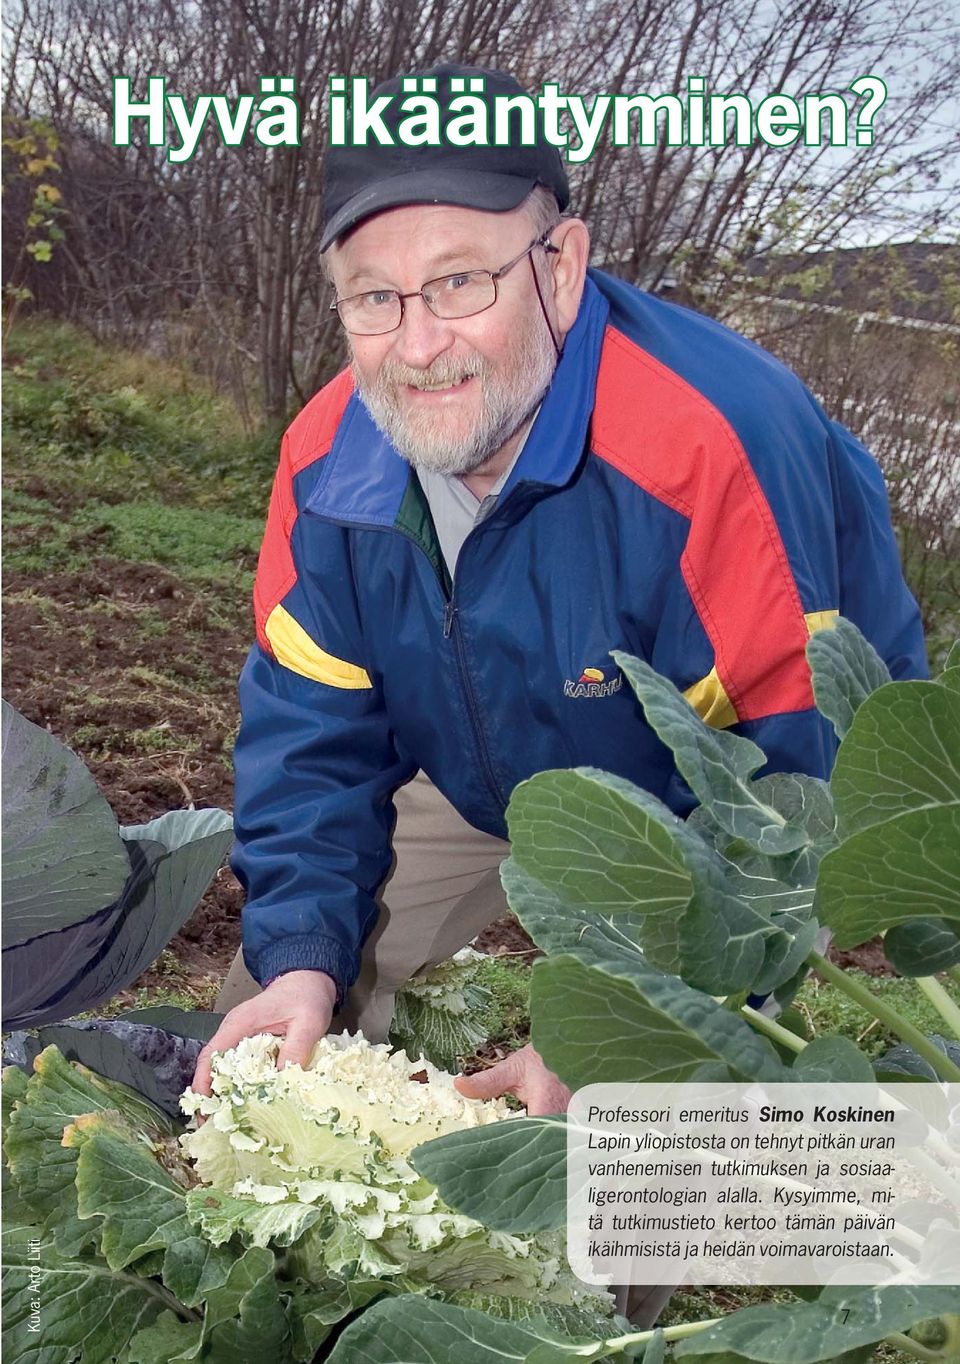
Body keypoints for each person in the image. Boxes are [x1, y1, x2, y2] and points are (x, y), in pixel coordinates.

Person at [193, 62, 926, 1119]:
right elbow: (311, 734)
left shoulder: (709, 447)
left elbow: (782, 796)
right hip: (472, 747)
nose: (417, 343)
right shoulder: (324, 462)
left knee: (632, 1118)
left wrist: (624, 1010)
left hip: (719, 786)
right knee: (278, 1020)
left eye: (459, 282)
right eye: (374, 296)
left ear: (564, 265)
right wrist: (301, 957)